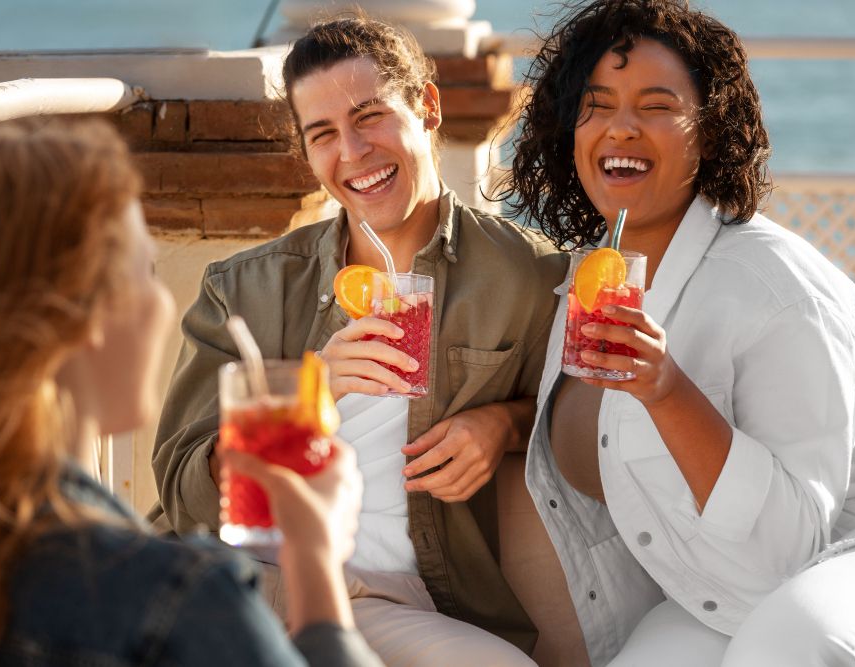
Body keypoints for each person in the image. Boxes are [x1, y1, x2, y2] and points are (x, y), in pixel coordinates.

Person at [500, 0, 855, 665]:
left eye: (658, 105)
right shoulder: (588, 280)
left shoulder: (775, 289)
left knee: (786, 646)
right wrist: (501, 424)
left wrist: (667, 389)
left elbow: (791, 548)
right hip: (720, 586)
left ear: (710, 130)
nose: (622, 127)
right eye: (598, 104)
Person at [150, 14, 568, 665]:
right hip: (245, 578)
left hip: (387, 597)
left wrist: (503, 426)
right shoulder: (243, 290)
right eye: (323, 134)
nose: (352, 152)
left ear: (427, 107)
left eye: (369, 117)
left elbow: (577, 417)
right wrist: (308, 388)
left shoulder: (526, 276)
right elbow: (184, 491)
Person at [0, 118, 381, 667]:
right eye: (146, 272)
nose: (163, 306)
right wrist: (315, 560)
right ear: (79, 318)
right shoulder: (180, 601)